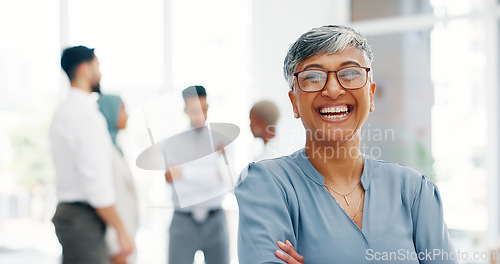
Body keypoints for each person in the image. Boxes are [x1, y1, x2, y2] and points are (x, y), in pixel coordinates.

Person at [235, 25, 457, 264]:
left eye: (350, 74)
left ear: (371, 95)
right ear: (294, 102)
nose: (332, 89)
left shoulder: (414, 192)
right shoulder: (267, 185)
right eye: (313, 77)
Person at [50, 46, 133, 264]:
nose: (101, 73)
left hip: (74, 216)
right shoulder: (85, 116)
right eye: (98, 66)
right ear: (85, 69)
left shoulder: (65, 111)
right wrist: (121, 230)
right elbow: (95, 182)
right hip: (83, 218)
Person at [164, 85, 230, 264]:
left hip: (215, 220)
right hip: (183, 222)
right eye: (194, 110)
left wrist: (183, 172)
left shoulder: (221, 139)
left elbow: (224, 181)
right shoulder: (172, 143)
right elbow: (171, 179)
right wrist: (209, 171)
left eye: (204, 109)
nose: (200, 115)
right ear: (185, 109)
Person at [97, 94, 139, 264]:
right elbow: (106, 200)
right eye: (122, 110)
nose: (126, 115)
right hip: (116, 248)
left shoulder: (116, 149)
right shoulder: (104, 153)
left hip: (124, 243)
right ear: (110, 113)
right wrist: (115, 247)